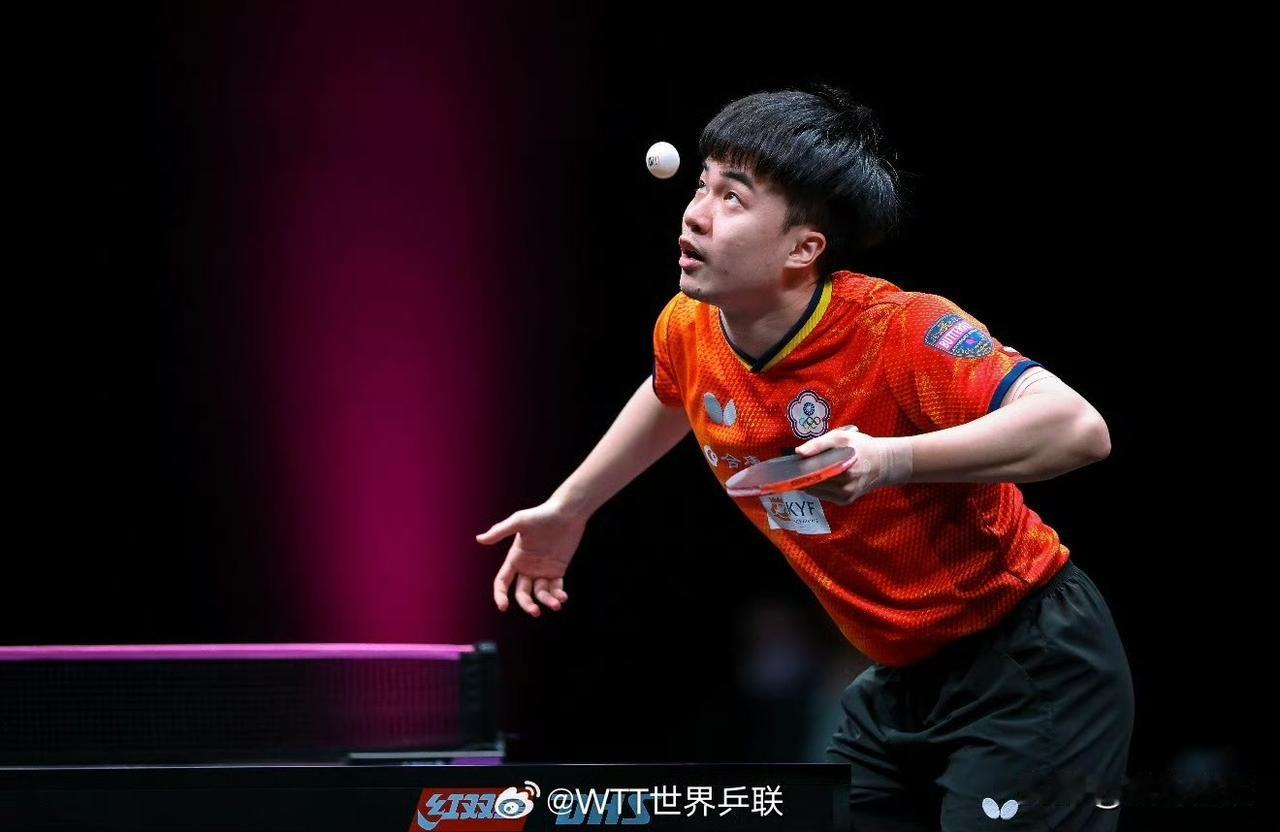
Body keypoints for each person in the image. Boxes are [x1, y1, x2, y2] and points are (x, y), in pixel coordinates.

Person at [477, 85, 1133, 832]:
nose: (695, 214)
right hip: (899, 678)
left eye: (732, 197)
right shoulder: (691, 326)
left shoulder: (898, 334)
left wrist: (890, 460)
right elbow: (672, 392)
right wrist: (571, 508)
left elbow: (1078, 429)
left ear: (803, 249)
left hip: (1028, 660)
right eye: (702, 185)